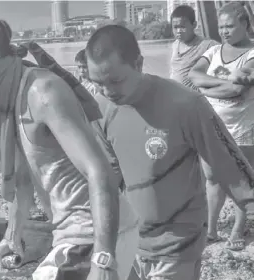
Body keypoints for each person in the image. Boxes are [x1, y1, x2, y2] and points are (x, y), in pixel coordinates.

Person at [0, 7, 140, 280]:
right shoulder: (9, 100)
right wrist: (12, 235)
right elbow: (21, 178)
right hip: (75, 233)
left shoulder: (42, 92)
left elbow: (99, 171)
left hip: (93, 236)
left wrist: (103, 259)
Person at [86, 25, 254, 280]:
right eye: (98, 83)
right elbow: (107, 184)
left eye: (116, 80)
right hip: (130, 242)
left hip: (178, 244)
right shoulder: (101, 109)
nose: (108, 91)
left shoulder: (185, 105)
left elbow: (230, 165)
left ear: (139, 63)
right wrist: (104, 250)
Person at [188, 2, 254, 251]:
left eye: (230, 26)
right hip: (211, 126)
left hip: (242, 128)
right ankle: (212, 228)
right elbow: (194, 76)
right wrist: (222, 84)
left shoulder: (251, 54)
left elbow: (238, 88)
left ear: (245, 24)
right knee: (212, 178)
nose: (224, 31)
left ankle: (238, 228)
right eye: (222, 26)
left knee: (241, 179)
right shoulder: (214, 50)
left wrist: (208, 86)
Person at [169, 5, 219, 90]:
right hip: (175, 96)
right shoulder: (175, 45)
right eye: (175, 27)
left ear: (194, 25)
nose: (178, 31)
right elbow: (174, 71)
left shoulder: (207, 45)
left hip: (194, 98)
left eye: (182, 27)